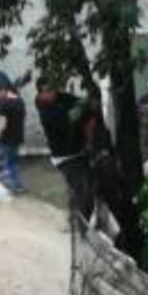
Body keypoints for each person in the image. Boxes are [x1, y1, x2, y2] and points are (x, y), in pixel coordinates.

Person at [33, 76, 100, 220]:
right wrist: (86, 106)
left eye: (53, 89)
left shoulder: (59, 97)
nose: (53, 93)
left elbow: (77, 102)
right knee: (83, 193)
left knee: (86, 190)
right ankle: (78, 227)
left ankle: (79, 223)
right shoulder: (47, 112)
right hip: (65, 157)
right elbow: (70, 119)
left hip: (78, 152)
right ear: (40, 94)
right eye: (48, 91)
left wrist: (86, 104)